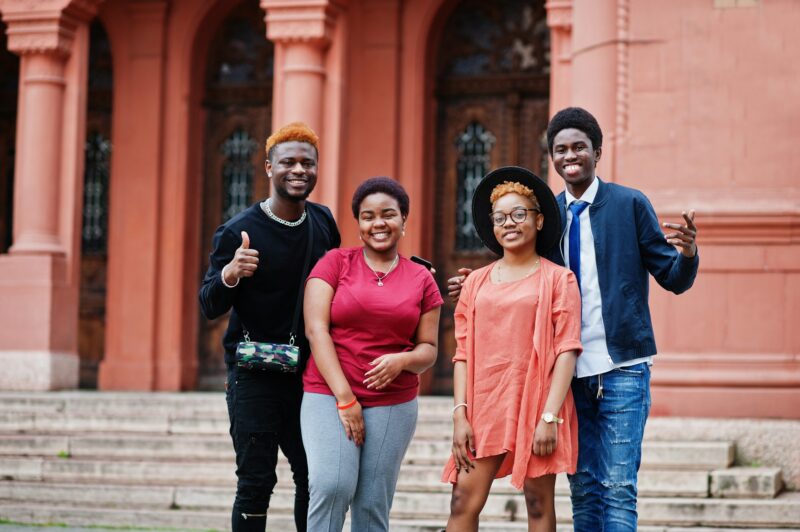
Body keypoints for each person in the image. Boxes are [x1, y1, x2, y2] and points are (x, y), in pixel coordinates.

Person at [449, 107, 699, 531]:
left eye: (579, 147)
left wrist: (688, 254)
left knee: (618, 487)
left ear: (596, 152)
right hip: (564, 375)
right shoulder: (548, 215)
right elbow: (522, 271)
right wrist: (479, 284)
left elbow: (672, 278)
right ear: (552, 156)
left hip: (621, 365)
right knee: (582, 488)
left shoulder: (629, 204)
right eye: (560, 149)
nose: (570, 155)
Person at [198, 122, 340, 532]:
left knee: (314, 478)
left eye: (307, 163)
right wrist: (230, 274)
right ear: (268, 167)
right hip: (253, 376)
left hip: (310, 375)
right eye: (288, 162)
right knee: (256, 482)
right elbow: (208, 304)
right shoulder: (239, 231)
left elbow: (341, 283)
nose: (299, 170)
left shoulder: (323, 222)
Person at [441, 167, 582, 532]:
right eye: (500, 217)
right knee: (462, 503)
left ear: (537, 221)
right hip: (484, 406)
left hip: (536, 405)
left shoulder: (558, 279)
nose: (510, 223)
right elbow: (463, 353)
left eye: (519, 214)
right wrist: (460, 415)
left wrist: (550, 418)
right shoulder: (475, 283)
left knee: (537, 505)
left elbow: (567, 349)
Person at [302, 176, 443, 532]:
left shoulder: (422, 278)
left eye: (388, 214)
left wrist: (403, 360)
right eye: (368, 216)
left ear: (403, 220)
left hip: (393, 400)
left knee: (371, 502)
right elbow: (316, 330)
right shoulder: (335, 263)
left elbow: (429, 350)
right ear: (359, 224)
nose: (378, 223)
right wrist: (346, 399)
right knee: (332, 484)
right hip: (329, 392)